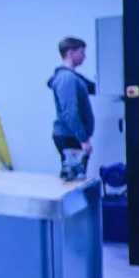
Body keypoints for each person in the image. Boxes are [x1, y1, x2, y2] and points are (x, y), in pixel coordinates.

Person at [48, 36, 96, 181]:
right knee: (74, 181)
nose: (84, 56)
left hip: (71, 136)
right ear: (70, 53)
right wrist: (83, 139)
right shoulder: (66, 79)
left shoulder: (73, 77)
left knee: (75, 178)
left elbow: (94, 87)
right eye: (81, 52)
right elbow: (70, 112)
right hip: (70, 137)